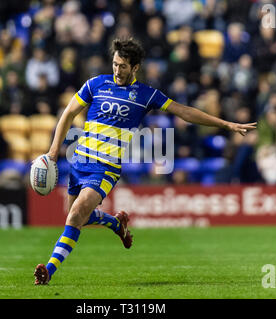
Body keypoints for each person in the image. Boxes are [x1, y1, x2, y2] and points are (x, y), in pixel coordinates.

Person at [34, 38, 257, 285]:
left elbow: (184, 111)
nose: (117, 71)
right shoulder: (96, 84)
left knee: (75, 215)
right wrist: (53, 152)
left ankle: (49, 271)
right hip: (79, 163)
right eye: (115, 64)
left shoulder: (146, 94)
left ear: (135, 67)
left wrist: (225, 124)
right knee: (79, 218)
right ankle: (116, 223)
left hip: (105, 168)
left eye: (123, 66)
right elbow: (68, 113)